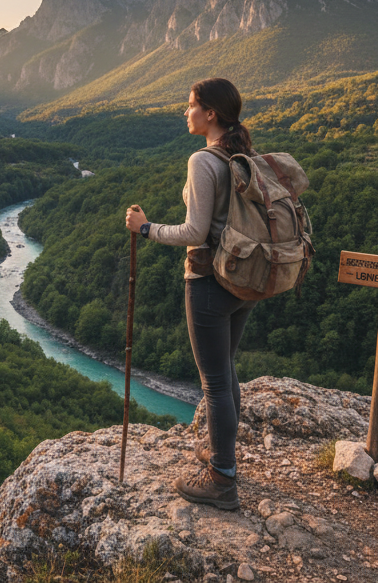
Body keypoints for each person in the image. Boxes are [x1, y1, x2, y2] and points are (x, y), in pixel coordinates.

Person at [124, 77, 254, 511]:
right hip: (243, 280)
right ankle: (223, 455)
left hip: (209, 281)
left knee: (214, 382)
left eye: (191, 104)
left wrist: (145, 228)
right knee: (227, 371)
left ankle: (222, 480)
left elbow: (195, 232)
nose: (186, 111)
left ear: (210, 113)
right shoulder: (240, 153)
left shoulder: (202, 160)